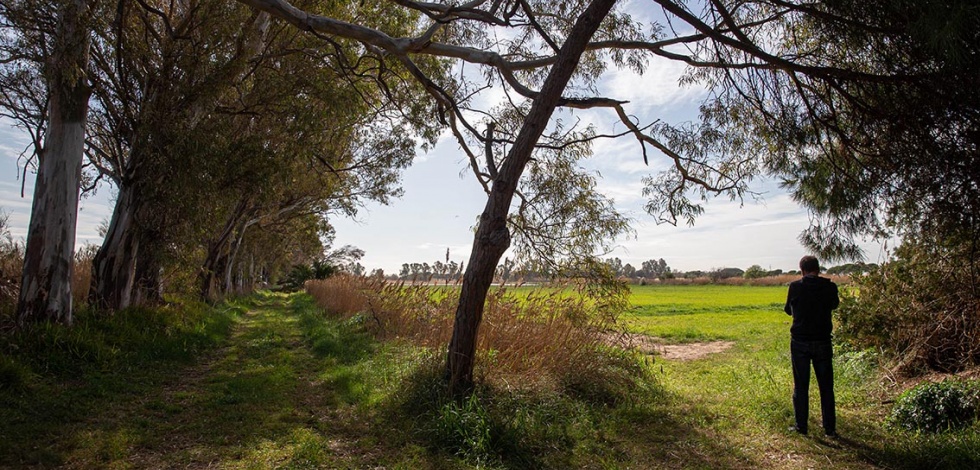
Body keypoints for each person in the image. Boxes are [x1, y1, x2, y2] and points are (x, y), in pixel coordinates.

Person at [784, 255, 840, 437]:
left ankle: (802, 426)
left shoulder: (795, 287)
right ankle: (830, 429)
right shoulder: (830, 287)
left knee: (801, 385)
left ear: (802, 269)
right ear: (818, 269)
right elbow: (834, 305)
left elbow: (788, 310)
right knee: (826, 386)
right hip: (823, 340)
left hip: (800, 341)